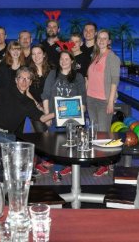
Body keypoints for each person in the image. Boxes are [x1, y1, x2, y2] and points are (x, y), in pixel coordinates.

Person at [41, 50, 87, 181]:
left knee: (67, 144)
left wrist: (78, 112)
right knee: (56, 145)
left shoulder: (78, 77)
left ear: (72, 61)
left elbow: (82, 101)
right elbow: (46, 95)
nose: (64, 61)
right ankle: (62, 166)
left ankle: (57, 170)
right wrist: (47, 115)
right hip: (55, 117)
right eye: (62, 59)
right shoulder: (53, 74)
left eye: (67, 59)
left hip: (71, 118)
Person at [86, 29, 121, 177]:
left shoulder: (112, 57)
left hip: (103, 100)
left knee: (103, 132)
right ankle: (104, 160)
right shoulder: (95, 55)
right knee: (96, 132)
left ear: (109, 41)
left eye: (104, 38)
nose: (101, 40)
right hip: (91, 99)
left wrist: (110, 101)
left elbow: (114, 81)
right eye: (99, 38)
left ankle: (105, 165)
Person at [28, 44, 50, 134]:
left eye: (39, 53)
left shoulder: (52, 69)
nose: (36, 56)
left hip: (50, 106)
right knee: (42, 135)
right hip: (35, 107)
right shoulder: (27, 71)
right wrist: (39, 107)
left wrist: (48, 111)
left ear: (44, 54)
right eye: (33, 54)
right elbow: (26, 91)